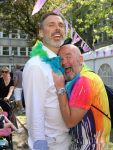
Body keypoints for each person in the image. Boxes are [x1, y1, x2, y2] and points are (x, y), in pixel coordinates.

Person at [22, 12, 70, 150]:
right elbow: (34, 110)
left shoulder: (58, 62)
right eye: (51, 25)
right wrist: (39, 145)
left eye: (61, 25)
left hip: (64, 140)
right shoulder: (36, 65)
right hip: (51, 144)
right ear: (41, 33)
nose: (57, 28)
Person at [52, 44, 111, 149]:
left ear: (80, 59)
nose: (64, 62)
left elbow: (70, 122)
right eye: (61, 59)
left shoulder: (84, 81)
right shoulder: (85, 76)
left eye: (68, 56)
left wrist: (60, 88)